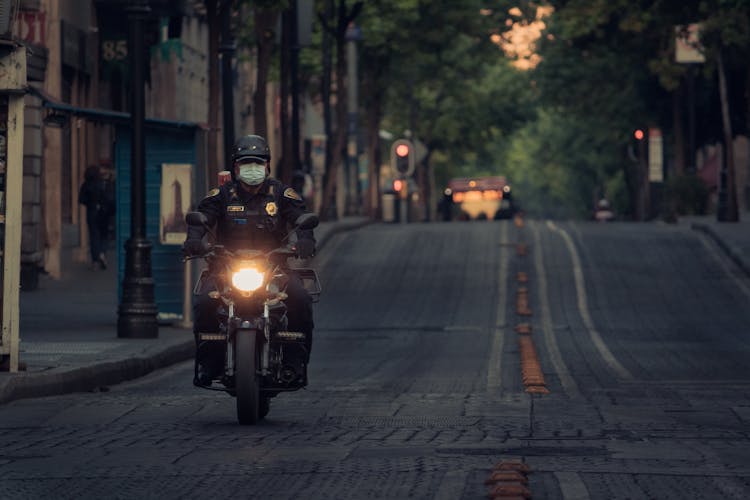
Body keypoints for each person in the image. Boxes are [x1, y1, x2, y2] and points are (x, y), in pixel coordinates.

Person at [182, 134, 317, 386]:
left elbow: (302, 217)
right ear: (235, 167)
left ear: (267, 166)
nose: (251, 168)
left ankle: (294, 363)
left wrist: (305, 241)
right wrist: (194, 241)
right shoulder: (221, 195)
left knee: (300, 298)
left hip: (274, 268)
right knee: (204, 302)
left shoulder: (281, 193)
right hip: (226, 268)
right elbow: (202, 217)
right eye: (245, 163)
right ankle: (209, 364)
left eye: (257, 163)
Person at [78, 165, 114, 270]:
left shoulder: (86, 185)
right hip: (103, 212)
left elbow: (81, 199)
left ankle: (95, 261)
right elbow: (109, 198)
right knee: (104, 235)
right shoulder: (102, 184)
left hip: (91, 212)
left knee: (94, 236)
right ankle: (102, 253)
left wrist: (90, 203)